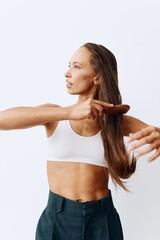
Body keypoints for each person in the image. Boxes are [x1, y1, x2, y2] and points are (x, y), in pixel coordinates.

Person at [0, 42, 160, 240]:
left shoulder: (116, 122)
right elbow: (2, 120)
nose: (67, 73)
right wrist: (68, 112)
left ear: (98, 76)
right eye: (69, 65)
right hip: (57, 218)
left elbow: (156, 135)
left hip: (102, 219)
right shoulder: (56, 115)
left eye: (76, 66)